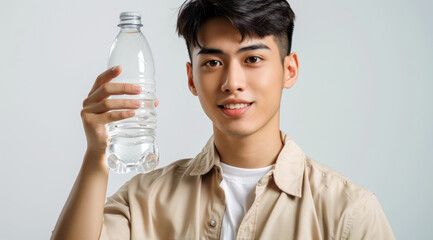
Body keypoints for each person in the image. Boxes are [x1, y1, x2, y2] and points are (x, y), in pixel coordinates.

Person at [52, 0, 395, 239]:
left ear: (289, 70)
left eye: (253, 59)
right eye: (213, 63)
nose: (233, 82)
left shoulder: (349, 211)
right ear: (191, 79)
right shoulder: (145, 199)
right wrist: (97, 153)